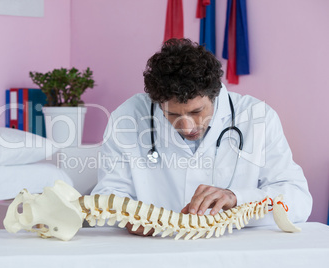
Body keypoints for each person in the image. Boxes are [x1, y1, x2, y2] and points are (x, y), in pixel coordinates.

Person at [91, 38, 312, 236]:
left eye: (197, 112)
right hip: (155, 250)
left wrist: (237, 198)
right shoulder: (127, 118)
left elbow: (299, 200)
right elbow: (107, 195)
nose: (187, 127)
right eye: (172, 114)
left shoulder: (258, 117)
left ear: (215, 94)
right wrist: (126, 217)